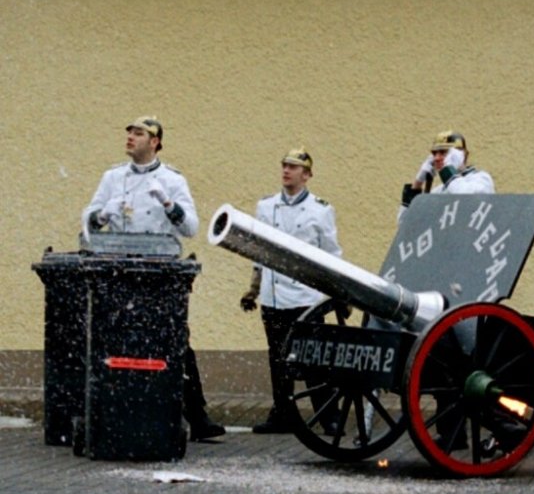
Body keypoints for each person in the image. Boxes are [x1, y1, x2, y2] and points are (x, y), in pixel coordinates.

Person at [82, 116, 224, 442]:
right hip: (119, 271)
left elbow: (190, 228)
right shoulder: (113, 177)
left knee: (174, 342)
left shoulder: (172, 179)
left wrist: (169, 204)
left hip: (159, 274)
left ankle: (196, 415)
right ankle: (116, 411)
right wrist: (102, 215)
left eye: (139, 133)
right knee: (115, 339)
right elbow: (88, 223)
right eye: (129, 132)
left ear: (155, 142)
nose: (130, 137)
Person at [240, 148, 343, 434]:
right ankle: (283, 413)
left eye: (294, 167)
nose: (286, 171)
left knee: (314, 360)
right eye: (284, 165)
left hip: (305, 298)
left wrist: (337, 292)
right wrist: (253, 288)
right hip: (273, 296)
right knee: (278, 359)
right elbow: (260, 251)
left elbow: (331, 254)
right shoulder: (266, 206)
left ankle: (329, 416)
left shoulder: (320, 210)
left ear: (307, 175)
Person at [397, 131, 495, 225]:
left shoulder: (481, 179)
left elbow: (468, 197)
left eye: (443, 152)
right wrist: (418, 183)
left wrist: (448, 170)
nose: (436, 158)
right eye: (434, 153)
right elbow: (407, 225)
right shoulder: (439, 191)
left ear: (462, 155)